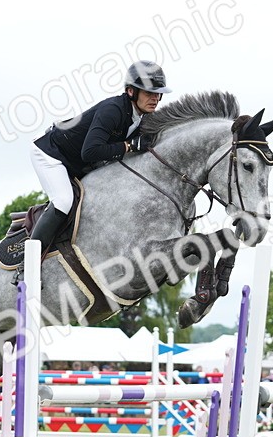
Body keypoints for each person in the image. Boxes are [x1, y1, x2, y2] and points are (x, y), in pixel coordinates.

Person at [14, 60, 171, 284]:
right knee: (63, 201)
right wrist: (128, 146)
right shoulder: (113, 110)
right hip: (51, 154)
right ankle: (26, 266)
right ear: (131, 91)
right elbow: (90, 152)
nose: (155, 98)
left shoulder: (141, 117)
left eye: (158, 93)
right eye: (149, 92)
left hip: (77, 161)